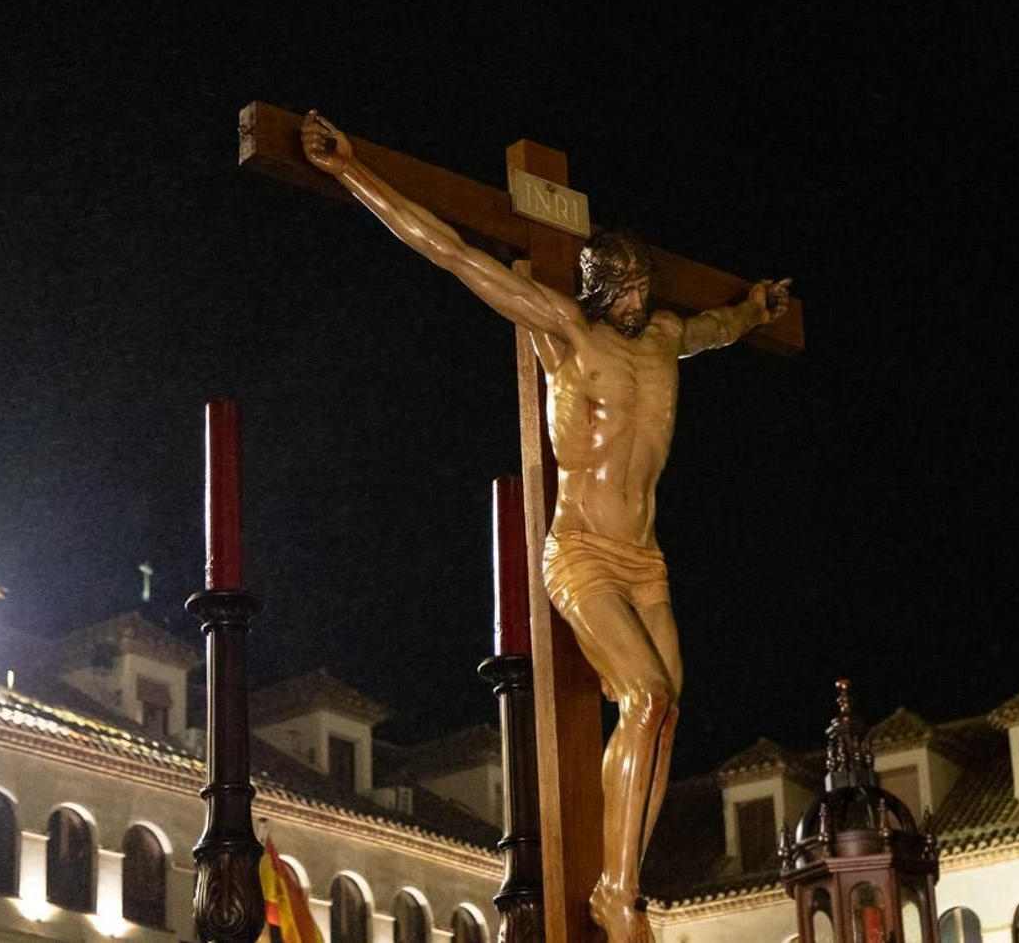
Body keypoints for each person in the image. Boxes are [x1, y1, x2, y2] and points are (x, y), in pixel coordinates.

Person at [301, 111, 791, 943]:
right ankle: (617, 893)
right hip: (583, 551)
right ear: (599, 287)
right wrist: (352, 171)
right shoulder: (564, 332)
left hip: (645, 558)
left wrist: (754, 308)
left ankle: (622, 879)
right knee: (646, 693)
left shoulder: (667, 336)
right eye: (625, 287)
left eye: (644, 285)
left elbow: (718, 327)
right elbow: (452, 253)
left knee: (665, 712)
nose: (638, 299)